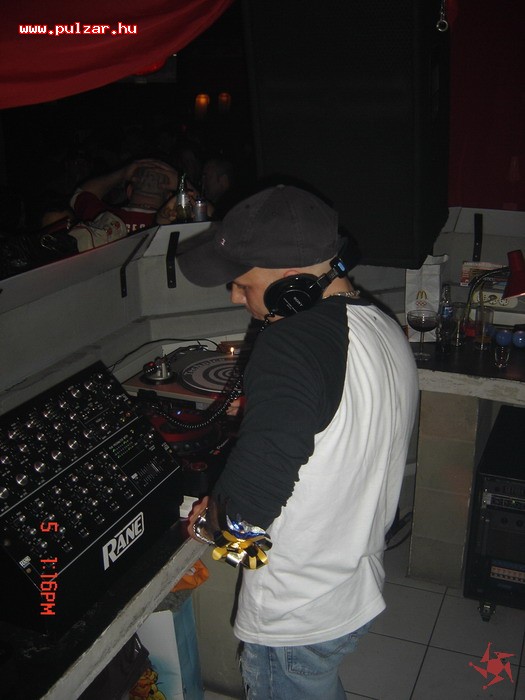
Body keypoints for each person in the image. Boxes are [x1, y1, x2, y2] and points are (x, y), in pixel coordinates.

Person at [178, 185, 419, 700]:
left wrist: (212, 528)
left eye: (243, 284)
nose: (235, 297)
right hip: (352, 582)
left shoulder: (289, 344)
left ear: (291, 282)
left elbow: (246, 518)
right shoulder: (380, 323)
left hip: (296, 611)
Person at [70, 159, 178, 234]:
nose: (152, 175)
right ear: (168, 197)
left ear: (129, 191)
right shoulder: (176, 224)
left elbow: (80, 194)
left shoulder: (102, 217)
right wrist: (180, 182)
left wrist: (122, 174)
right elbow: (79, 195)